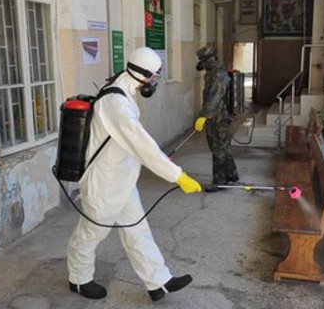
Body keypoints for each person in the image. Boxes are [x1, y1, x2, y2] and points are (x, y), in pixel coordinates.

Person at [67, 47, 202, 302]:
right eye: (152, 77)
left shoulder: (124, 90)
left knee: (137, 230)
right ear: (141, 75)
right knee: (91, 232)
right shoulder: (115, 103)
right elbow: (142, 144)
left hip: (123, 180)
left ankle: (158, 282)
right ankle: (78, 278)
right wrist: (177, 175)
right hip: (104, 183)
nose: (153, 83)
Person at [194, 46, 239, 193]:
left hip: (217, 117)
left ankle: (219, 181)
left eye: (201, 60)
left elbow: (213, 98)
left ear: (207, 60)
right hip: (218, 116)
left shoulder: (218, 75)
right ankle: (232, 174)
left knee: (217, 148)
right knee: (223, 145)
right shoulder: (214, 72)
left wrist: (204, 116)